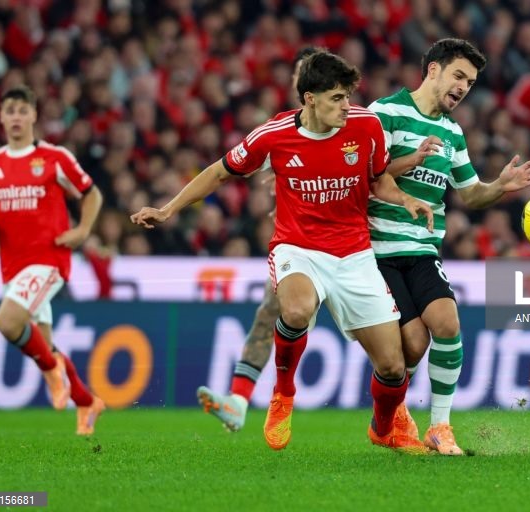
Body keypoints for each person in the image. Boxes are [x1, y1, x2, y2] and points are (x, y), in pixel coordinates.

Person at [131, 50, 435, 453]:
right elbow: (220, 171)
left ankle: (383, 430)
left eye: (347, 97)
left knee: (394, 366)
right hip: (298, 247)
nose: (347, 107)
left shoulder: (367, 127)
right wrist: (169, 208)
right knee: (293, 310)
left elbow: (379, 181)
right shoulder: (272, 135)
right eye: (337, 99)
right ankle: (282, 394)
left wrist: (405, 200)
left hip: (354, 255)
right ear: (310, 99)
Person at [367, 38, 530, 455]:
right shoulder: (384, 113)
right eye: (459, 76)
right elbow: (368, 175)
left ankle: (440, 427)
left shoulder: (452, 132)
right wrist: (406, 164)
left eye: (471, 81)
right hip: (378, 249)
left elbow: (470, 195)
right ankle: (390, 414)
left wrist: (500, 186)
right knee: (411, 345)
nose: (464, 87)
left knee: (447, 323)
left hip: (424, 250)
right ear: (433, 70)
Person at [0, 85, 106, 435]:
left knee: (7, 322)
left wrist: (83, 230)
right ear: (1, 117)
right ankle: (86, 401)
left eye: (23, 110)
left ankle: (52, 372)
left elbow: (91, 193)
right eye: (10, 110)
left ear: (35, 115)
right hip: (13, 266)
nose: (16, 117)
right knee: (43, 341)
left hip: (49, 259)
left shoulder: (55, 157)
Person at [195, 47, 320, 433]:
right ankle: (237, 402)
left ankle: (403, 410)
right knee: (270, 313)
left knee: (390, 340)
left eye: (309, 73)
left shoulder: (352, 124)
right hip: (298, 247)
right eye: (299, 74)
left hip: (352, 248)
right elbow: (238, 167)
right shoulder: (281, 129)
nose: (302, 81)